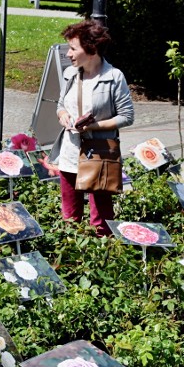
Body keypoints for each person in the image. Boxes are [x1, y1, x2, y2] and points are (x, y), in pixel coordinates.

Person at [49, 20, 134, 236]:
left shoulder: (113, 77)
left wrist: (93, 126)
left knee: (101, 219)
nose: (68, 53)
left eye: (73, 48)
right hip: (70, 150)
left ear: (91, 49)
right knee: (69, 214)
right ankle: (69, 254)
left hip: (99, 153)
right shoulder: (70, 74)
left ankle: (103, 257)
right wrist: (64, 115)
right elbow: (60, 105)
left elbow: (127, 116)